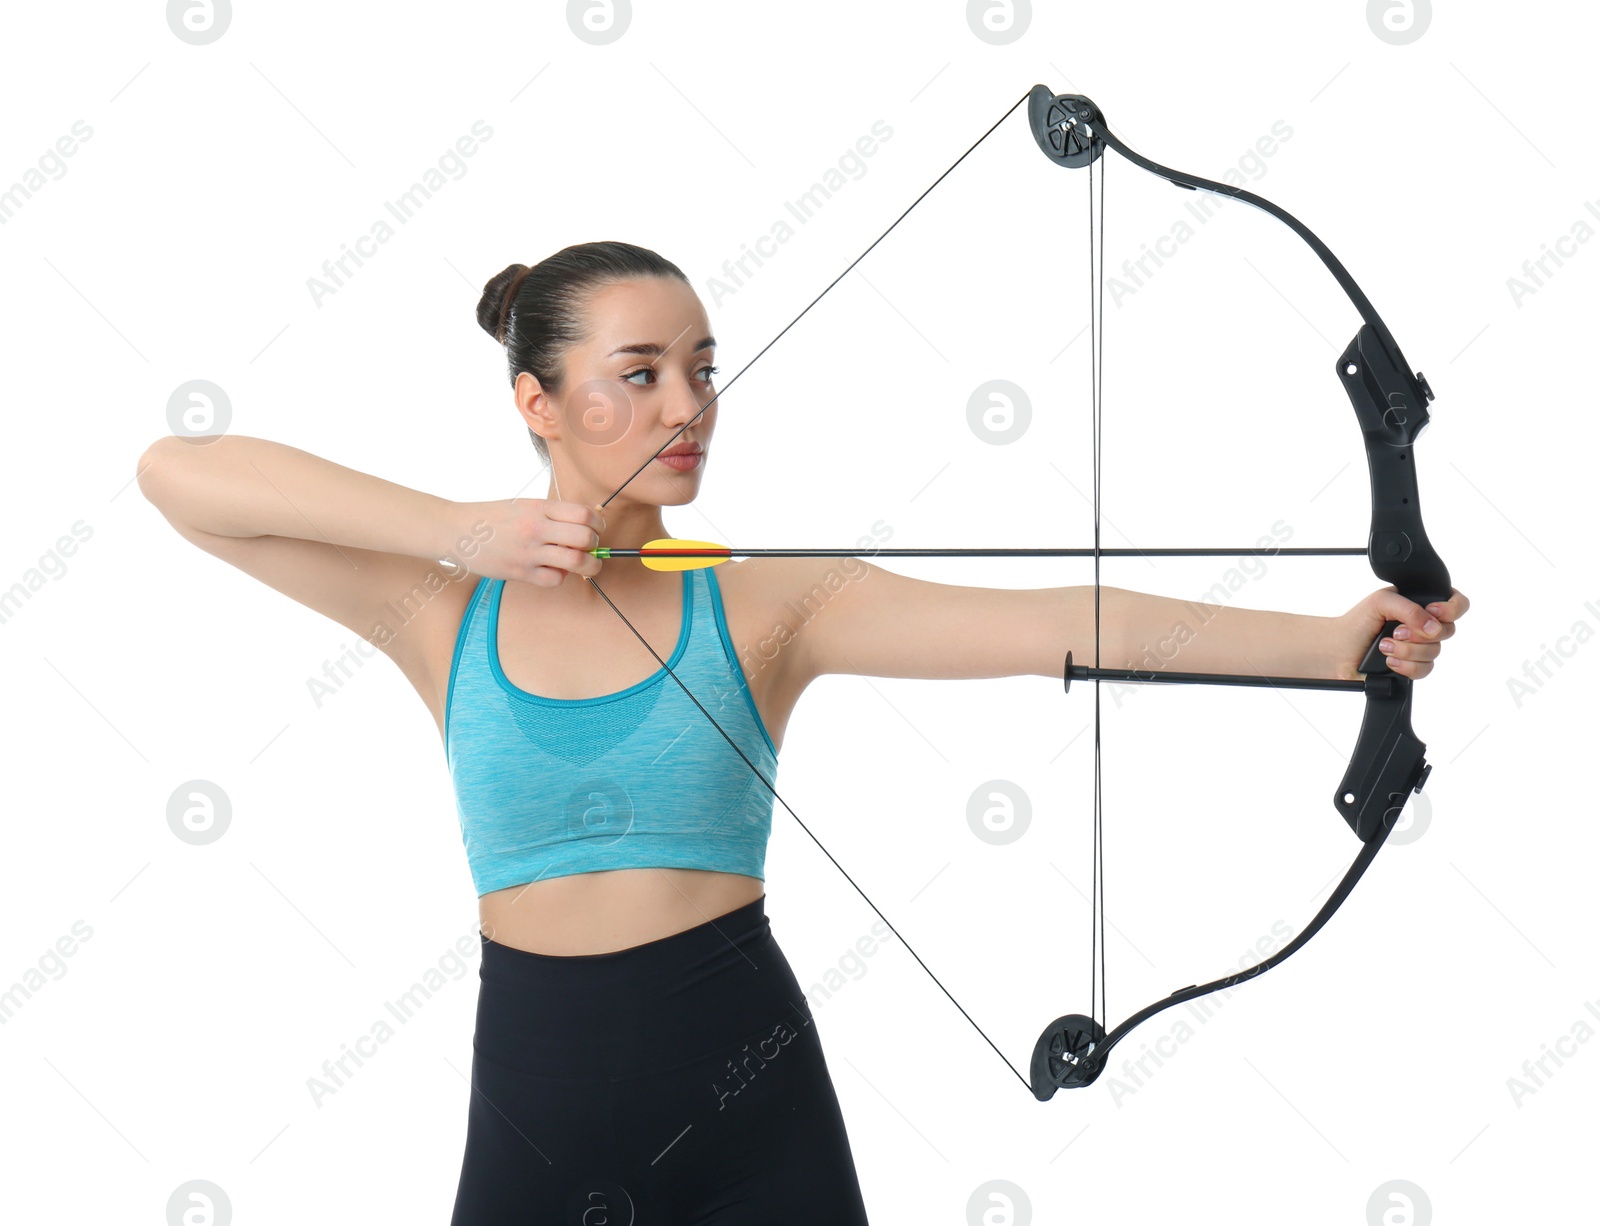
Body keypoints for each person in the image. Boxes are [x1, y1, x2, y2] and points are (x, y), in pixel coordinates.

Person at [134, 239, 1469, 1222]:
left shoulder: (763, 604)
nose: (685, 409)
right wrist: (453, 531)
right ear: (536, 402)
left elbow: (1058, 618)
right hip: (534, 1105)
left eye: (702, 374)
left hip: (746, 1089)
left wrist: (1326, 647)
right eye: (639, 374)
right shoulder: (440, 608)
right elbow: (177, 477)